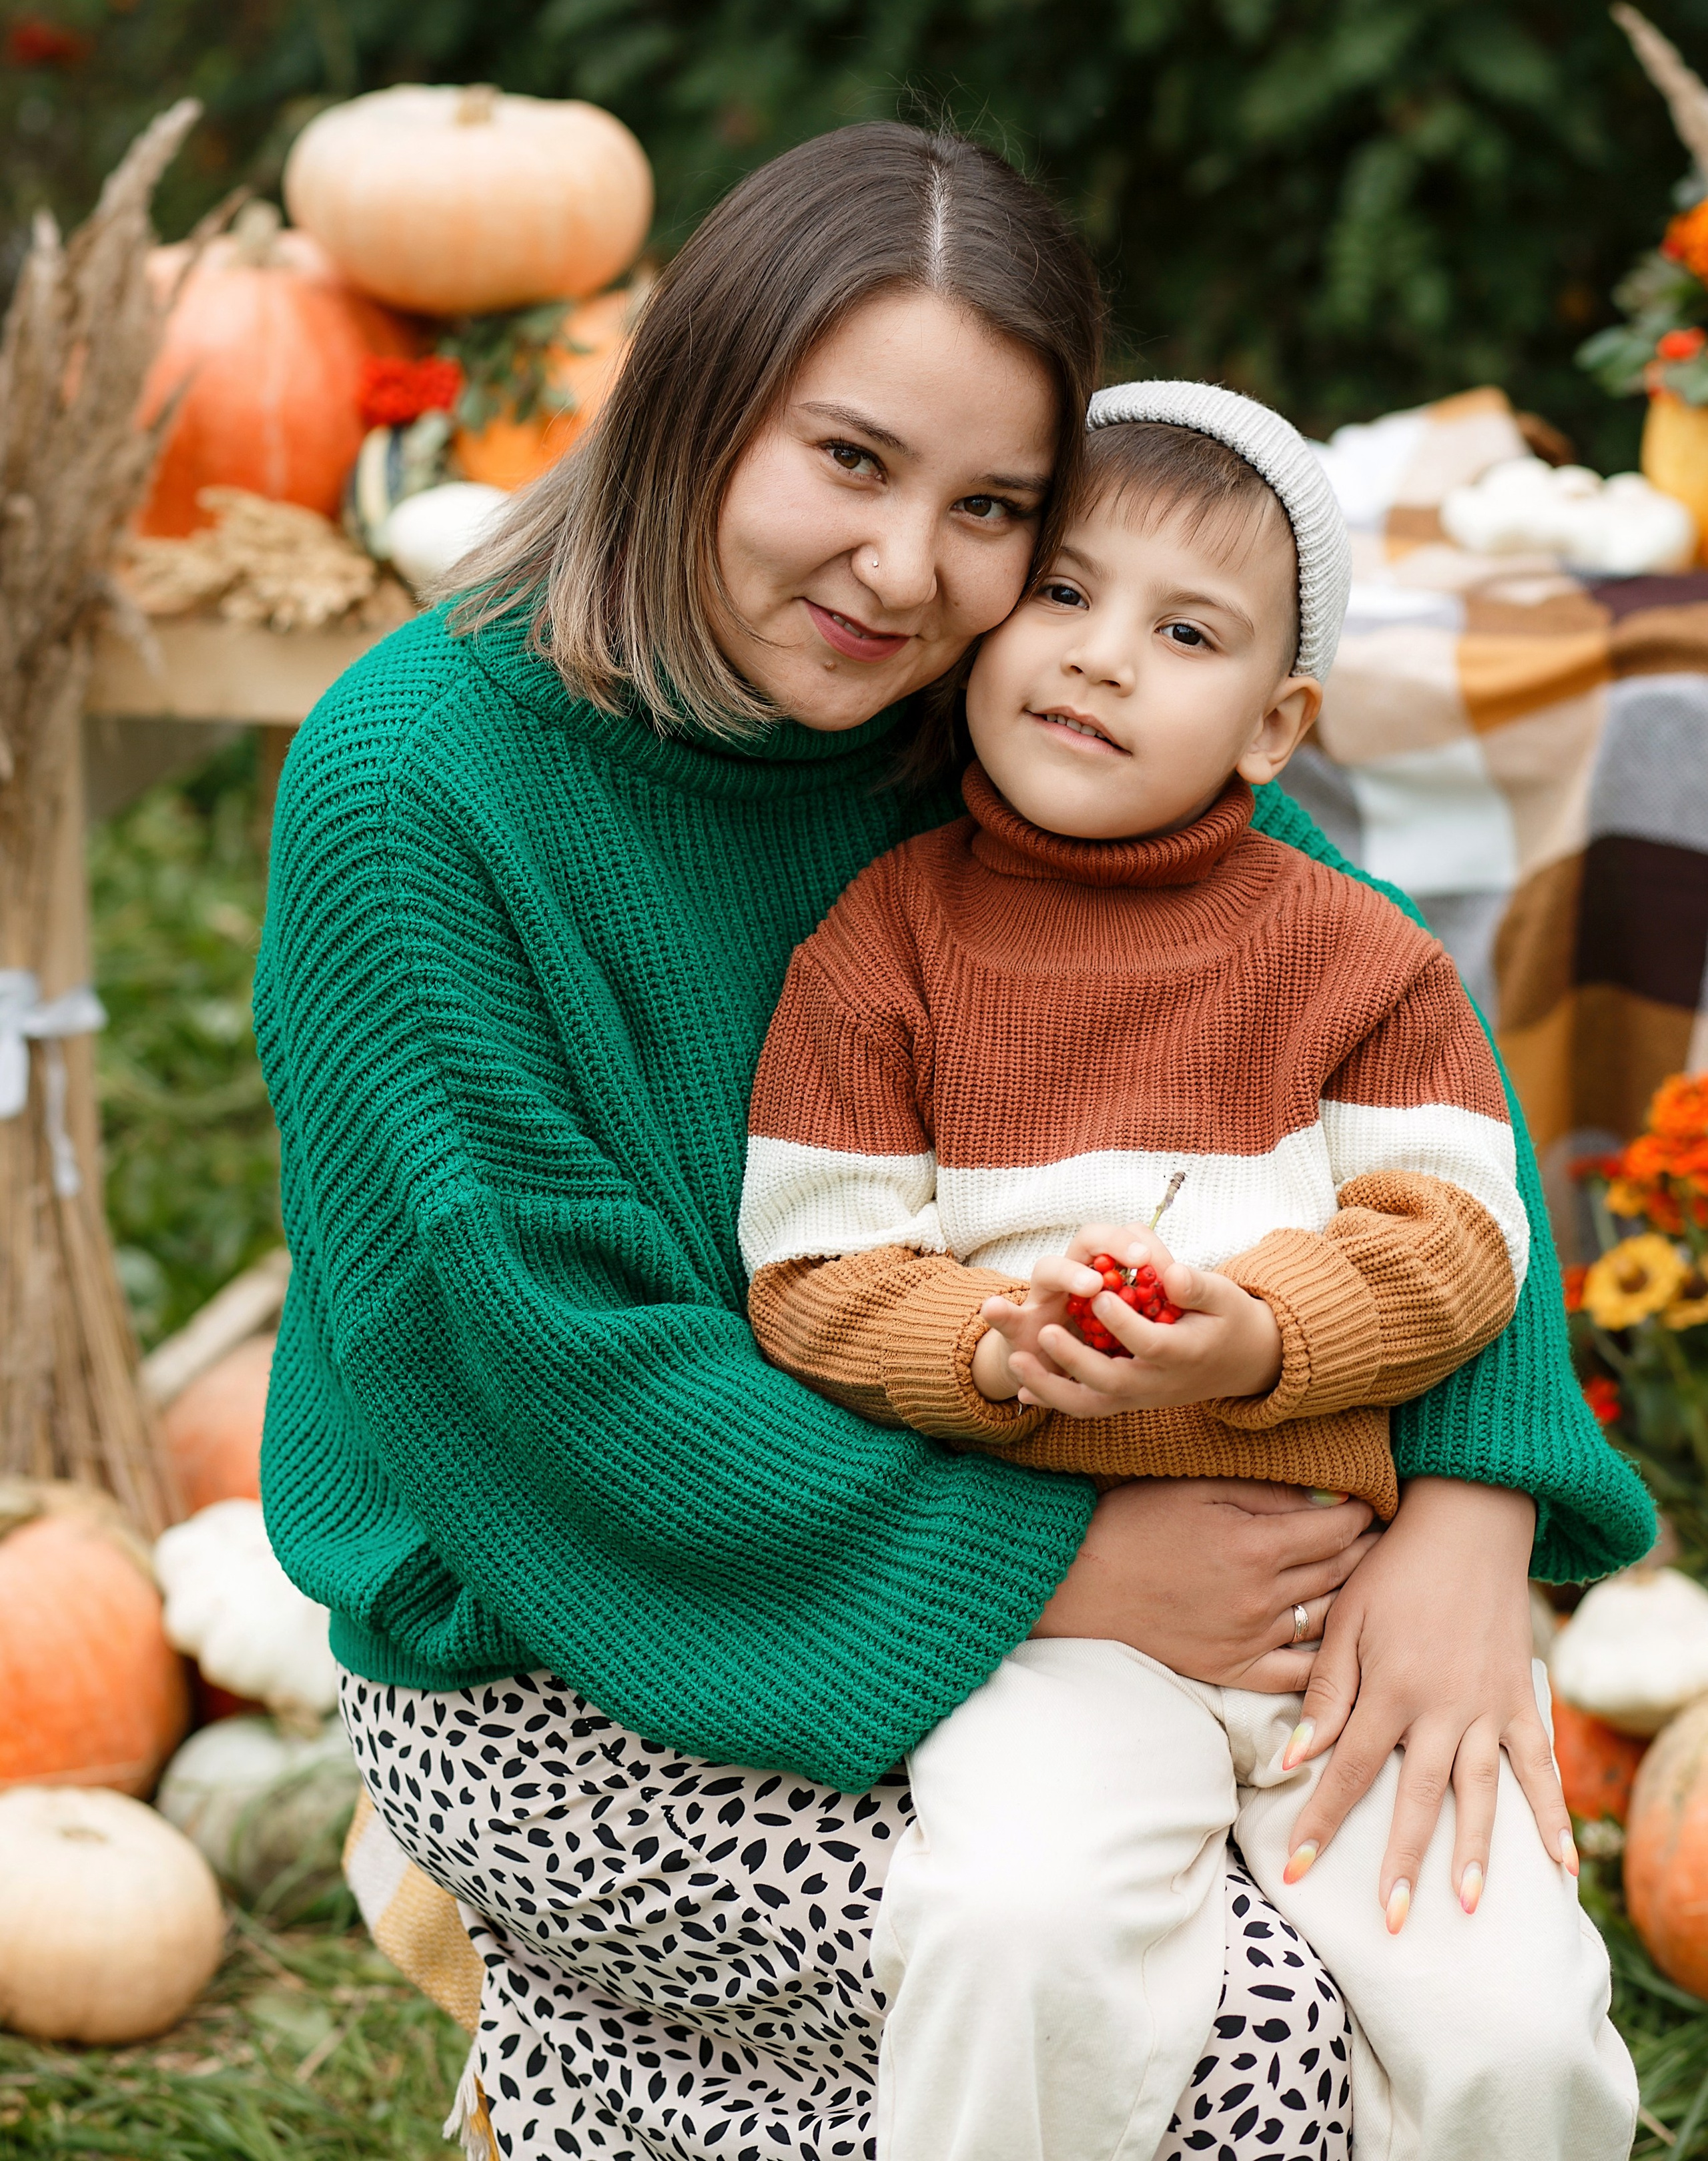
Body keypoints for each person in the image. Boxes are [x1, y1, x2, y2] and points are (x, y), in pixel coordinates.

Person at [256, 123, 1653, 2161]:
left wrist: (1474, 1509)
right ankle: (573, 2058)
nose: (904, 569)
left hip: (1095, 1548)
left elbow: (1367, 1032)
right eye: (847, 459)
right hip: (567, 1627)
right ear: (691, 400)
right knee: (1248, 2052)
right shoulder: (413, 787)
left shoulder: (978, 710)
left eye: (991, 506)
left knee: (1455, 1985)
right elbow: (537, 1368)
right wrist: (1069, 1565)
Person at [741, 382, 1637, 2160]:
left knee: (1516, 2036)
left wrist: (1259, 1338)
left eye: (1188, 630)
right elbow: (819, 1266)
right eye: (1064, 595)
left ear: (1274, 723)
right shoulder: (884, 947)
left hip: (1349, 1622)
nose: (1102, 660)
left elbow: (1461, 1235)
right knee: (1016, 1935)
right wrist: (994, 1344)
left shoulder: (1352, 954)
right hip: (1054, 1630)